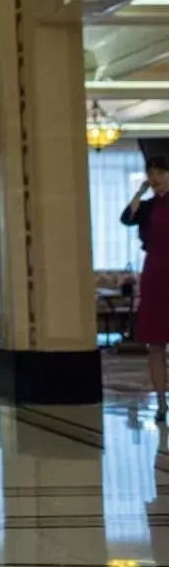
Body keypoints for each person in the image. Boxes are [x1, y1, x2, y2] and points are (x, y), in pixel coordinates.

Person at [121, 155, 169, 423]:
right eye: (152, 173)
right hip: (155, 273)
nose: (156, 177)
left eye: (161, 172)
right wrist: (140, 192)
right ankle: (161, 401)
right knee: (156, 343)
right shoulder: (148, 206)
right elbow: (127, 218)